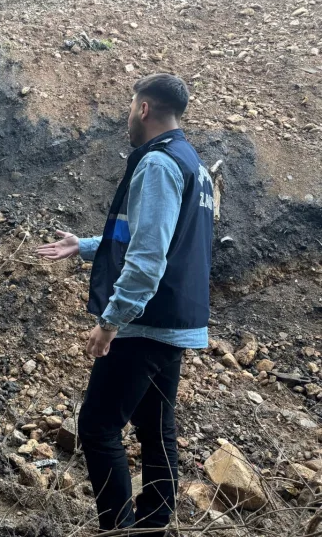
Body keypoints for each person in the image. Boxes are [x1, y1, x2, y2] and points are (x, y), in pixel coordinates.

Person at [38, 74, 214, 536]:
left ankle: (119, 531)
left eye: (129, 106)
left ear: (142, 108)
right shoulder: (192, 162)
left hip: (145, 322)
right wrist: (86, 245)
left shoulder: (157, 163)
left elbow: (149, 256)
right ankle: (151, 527)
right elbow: (155, 237)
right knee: (157, 433)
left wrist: (111, 321)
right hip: (175, 321)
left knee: (97, 428)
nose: (126, 116)